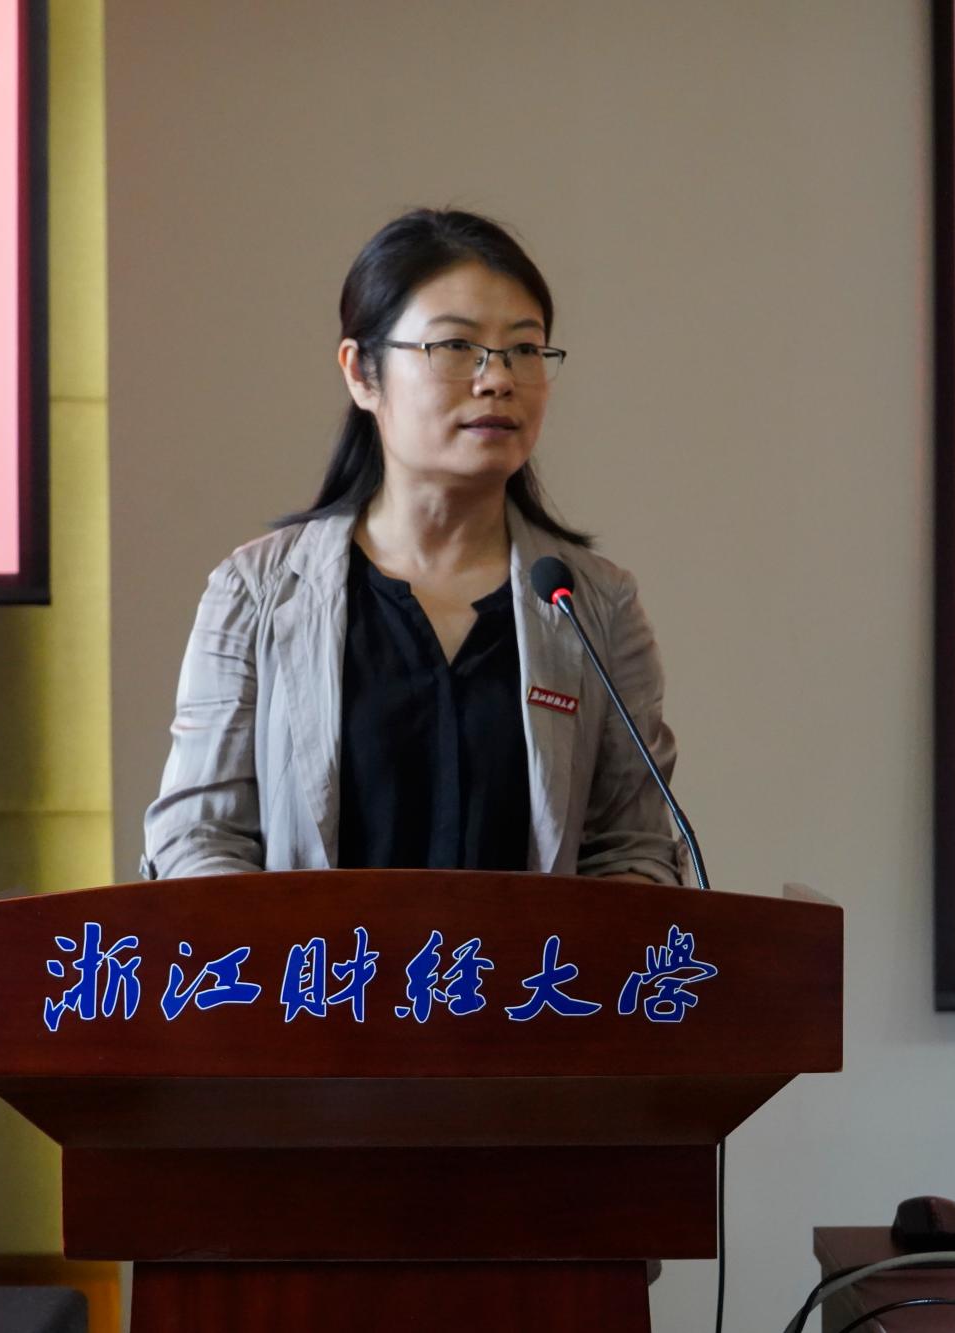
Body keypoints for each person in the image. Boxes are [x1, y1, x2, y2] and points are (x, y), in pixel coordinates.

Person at [142, 208, 683, 885]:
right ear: (361, 373)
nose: (498, 378)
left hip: (532, 963)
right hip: (314, 960)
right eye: (455, 346)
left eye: (524, 349)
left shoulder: (593, 605)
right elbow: (199, 836)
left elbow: (633, 846)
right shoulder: (255, 593)